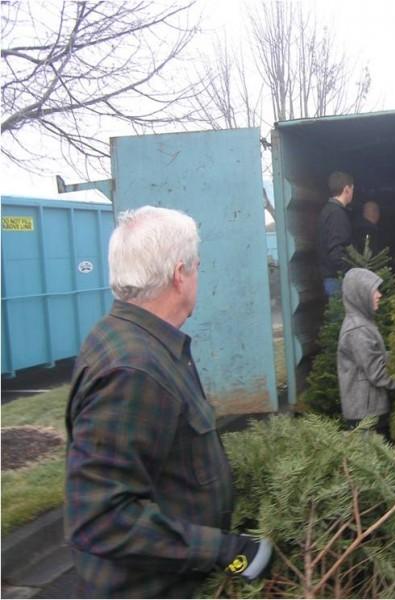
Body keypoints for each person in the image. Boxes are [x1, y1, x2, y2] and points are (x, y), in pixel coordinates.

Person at [64, 206, 272, 597]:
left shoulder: (133, 338)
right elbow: (99, 517)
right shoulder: (134, 368)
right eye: (197, 266)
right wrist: (226, 551)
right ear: (180, 274)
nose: (197, 275)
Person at [337, 268, 395, 439]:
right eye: (373, 291)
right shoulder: (358, 330)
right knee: (373, 463)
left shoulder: (363, 322)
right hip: (365, 414)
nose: (379, 295)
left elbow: (374, 355)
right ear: (360, 295)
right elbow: (377, 373)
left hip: (369, 408)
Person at [317, 171, 355, 296]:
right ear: (347, 189)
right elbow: (336, 250)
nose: (353, 193)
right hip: (336, 280)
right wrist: (349, 273)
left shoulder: (328, 210)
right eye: (352, 189)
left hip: (331, 278)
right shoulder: (336, 214)